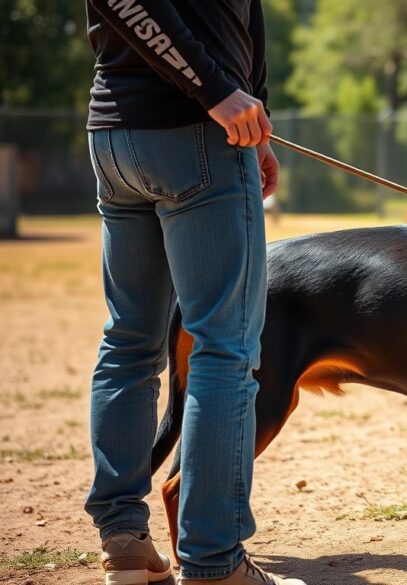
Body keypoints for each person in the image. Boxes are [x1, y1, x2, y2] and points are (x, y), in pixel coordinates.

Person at [82, 1, 302, 584]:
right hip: (196, 134)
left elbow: (246, 19)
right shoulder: (208, 102)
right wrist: (216, 94)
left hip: (117, 136)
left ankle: (125, 544)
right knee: (224, 350)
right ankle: (214, 564)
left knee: (129, 342)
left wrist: (259, 124)